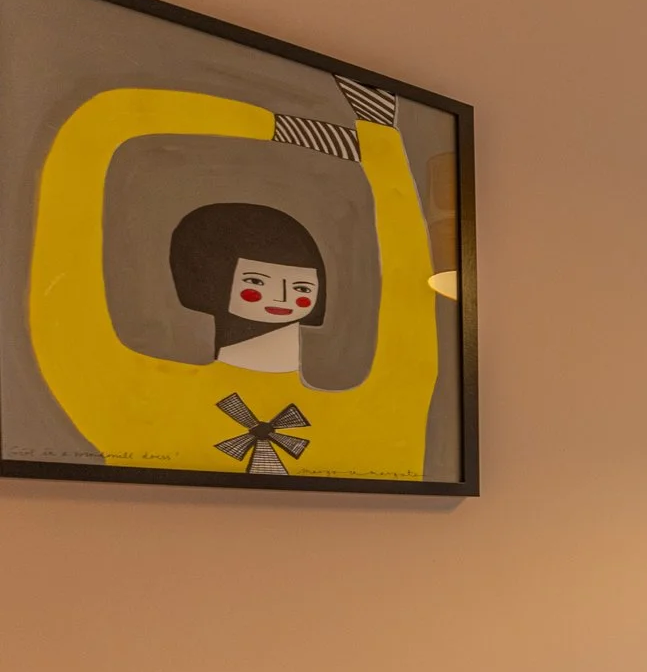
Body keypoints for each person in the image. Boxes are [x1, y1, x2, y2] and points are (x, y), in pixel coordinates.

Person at [27, 79, 439, 479]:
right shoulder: (136, 393)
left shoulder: (374, 408)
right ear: (210, 282)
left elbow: (411, 296)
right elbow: (98, 132)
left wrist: (383, 150)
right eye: (257, 282)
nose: (281, 296)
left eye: (300, 287)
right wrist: (277, 129)